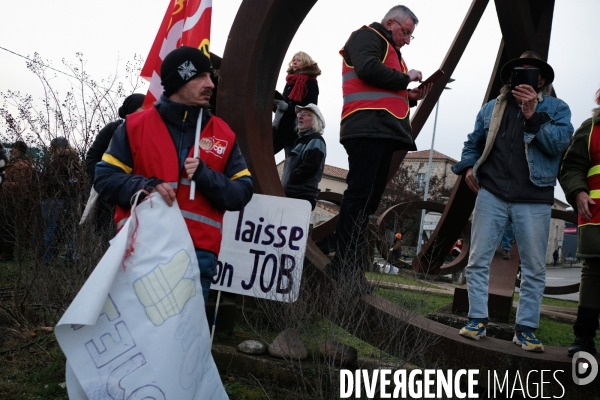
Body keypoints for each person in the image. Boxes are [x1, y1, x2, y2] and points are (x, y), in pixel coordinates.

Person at [95, 46, 253, 304]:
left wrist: (206, 175)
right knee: (139, 341)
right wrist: (145, 187)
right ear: (179, 80)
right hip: (140, 250)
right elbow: (104, 179)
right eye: (201, 76)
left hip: (196, 258)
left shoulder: (224, 134)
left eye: (210, 77)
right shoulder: (134, 127)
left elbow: (242, 193)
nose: (210, 84)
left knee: (184, 344)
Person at [452, 51, 573, 352]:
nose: (526, 75)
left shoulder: (558, 109)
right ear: (511, 77)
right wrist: (468, 167)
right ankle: (477, 319)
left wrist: (532, 115)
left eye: (533, 72)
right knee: (478, 259)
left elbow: (560, 143)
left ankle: (526, 329)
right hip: (492, 192)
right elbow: (473, 142)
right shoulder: (493, 107)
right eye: (520, 71)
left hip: (534, 197)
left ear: (542, 79)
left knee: (534, 267)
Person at [325, 5, 430, 289]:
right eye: (406, 32)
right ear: (391, 23)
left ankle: (344, 266)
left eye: (410, 36)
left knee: (367, 202)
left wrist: (409, 96)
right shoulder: (367, 35)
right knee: (360, 198)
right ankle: (346, 268)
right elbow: (368, 68)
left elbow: (383, 86)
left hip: (381, 130)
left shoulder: (391, 52)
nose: (407, 39)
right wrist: (406, 78)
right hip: (366, 127)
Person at [559, 87, 600, 356]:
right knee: (594, 274)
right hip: (597, 215)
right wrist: (578, 191)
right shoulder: (592, 128)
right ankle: (584, 338)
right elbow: (571, 165)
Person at [85, 93, 145, 234]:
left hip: (137, 193)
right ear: (132, 110)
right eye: (142, 107)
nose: (147, 111)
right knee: (106, 234)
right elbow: (92, 157)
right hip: (110, 194)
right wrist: (105, 179)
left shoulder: (149, 132)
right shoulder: (113, 129)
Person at [41, 137, 84, 265]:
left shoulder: (57, 162)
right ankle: (70, 257)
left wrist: (44, 187)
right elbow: (78, 182)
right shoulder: (75, 161)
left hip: (53, 199)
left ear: (55, 147)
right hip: (71, 199)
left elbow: (52, 182)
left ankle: (46, 260)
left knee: (50, 229)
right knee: (70, 229)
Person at [272, 51, 321, 157]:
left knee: (290, 164)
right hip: (280, 128)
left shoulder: (310, 83)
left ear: (306, 63)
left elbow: (310, 108)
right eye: (294, 60)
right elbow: (284, 105)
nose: (295, 62)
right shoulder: (290, 82)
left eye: (298, 60)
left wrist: (286, 107)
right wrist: (275, 105)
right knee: (261, 155)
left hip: (294, 131)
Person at [280, 103, 326, 210]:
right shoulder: (300, 141)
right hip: (292, 197)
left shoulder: (316, 139)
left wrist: (292, 178)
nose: (300, 116)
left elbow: (311, 166)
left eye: (305, 114)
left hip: (301, 198)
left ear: (315, 120)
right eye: (299, 113)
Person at [0, 141, 34, 261]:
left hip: (13, 200)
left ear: (18, 150)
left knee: (8, 227)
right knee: (3, 226)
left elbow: (21, 185)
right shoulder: (13, 163)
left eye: (13, 148)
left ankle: (7, 253)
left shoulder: (21, 165)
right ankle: (3, 251)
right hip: (6, 199)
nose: (11, 150)